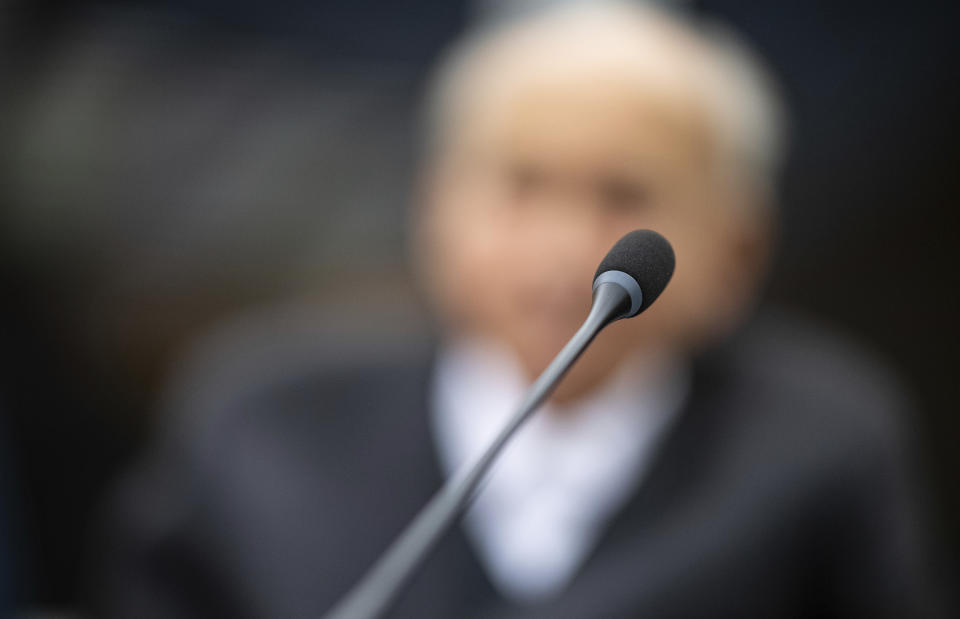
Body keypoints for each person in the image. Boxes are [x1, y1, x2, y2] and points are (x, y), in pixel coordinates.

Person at [91, 2, 945, 617]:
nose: (565, 246)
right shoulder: (264, 418)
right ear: (433, 209)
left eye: (625, 192)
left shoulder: (819, 441)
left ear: (739, 249)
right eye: (520, 184)